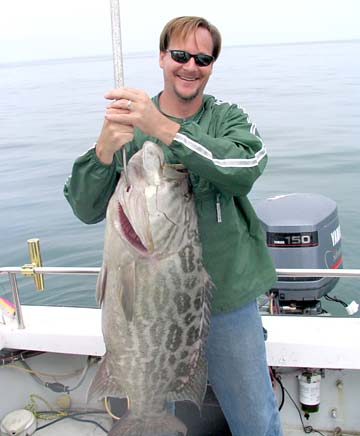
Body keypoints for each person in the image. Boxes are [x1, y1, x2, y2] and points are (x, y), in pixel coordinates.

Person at [64, 16, 283, 436]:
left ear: (212, 65)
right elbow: (85, 207)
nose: (190, 66)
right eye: (180, 55)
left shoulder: (228, 119)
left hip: (229, 304)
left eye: (203, 58)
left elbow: (245, 167)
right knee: (148, 405)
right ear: (162, 56)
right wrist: (104, 152)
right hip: (143, 305)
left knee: (256, 420)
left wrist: (162, 127)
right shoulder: (127, 124)